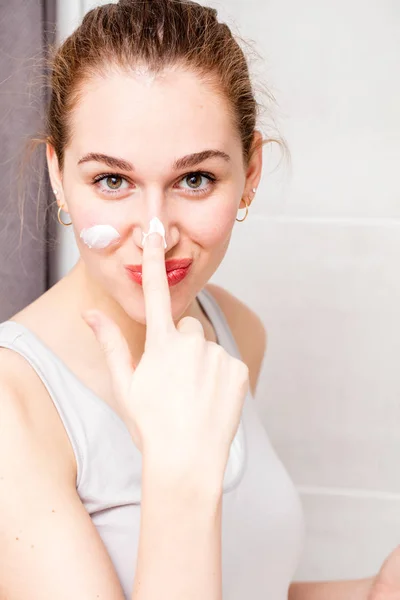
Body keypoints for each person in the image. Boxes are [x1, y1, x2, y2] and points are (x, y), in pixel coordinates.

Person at [0, 1, 398, 599]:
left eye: (195, 179)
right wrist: (179, 473)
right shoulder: (13, 406)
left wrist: (375, 591)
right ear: (58, 175)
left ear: (251, 173)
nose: (156, 232)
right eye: (113, 181)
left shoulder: (232, 330)